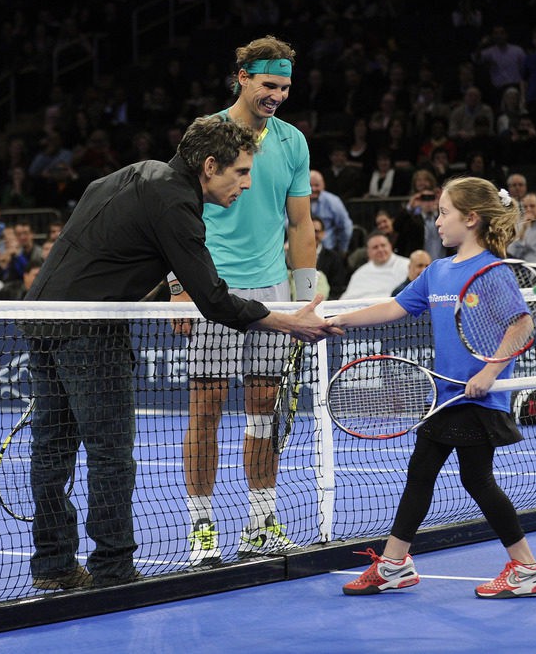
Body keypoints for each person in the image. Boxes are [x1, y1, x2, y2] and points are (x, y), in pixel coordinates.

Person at [24, 114, 337, 591]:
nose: (248, 185)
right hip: (90, 329)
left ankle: (54, 566)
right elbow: (211, 298)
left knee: (52, 450)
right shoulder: (176, 204)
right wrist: (287, 320)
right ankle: (113, 570)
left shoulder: (131, 174)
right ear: (210, 166)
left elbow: (108, 255)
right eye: (242, 173)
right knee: (111, 454)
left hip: (40, 317)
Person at [334, 177, 536, 598]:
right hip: (447, 395)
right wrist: (341, 320)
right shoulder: (437, 272)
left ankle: (527, 567)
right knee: (422, 473)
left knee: (476, 481)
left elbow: (521, 323)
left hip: (479, 398)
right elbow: (395, 306)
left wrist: (490, 372)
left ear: (471, 219)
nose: (437, 222)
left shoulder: (490, 269)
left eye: (444, 213)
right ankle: (395, 563)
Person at [166, 37, 321, 568]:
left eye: (284, 86)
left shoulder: (293, 142)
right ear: (242, 77)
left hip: (273, 294)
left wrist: (304, 298)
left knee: (263, 412)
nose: (276, 94)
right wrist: (179, 286)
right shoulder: (206, 133)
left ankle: (260, 523)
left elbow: (300, 224)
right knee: (205, 410)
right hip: (212, 289)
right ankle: (202, 527)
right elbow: (174, 210)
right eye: (268, 84)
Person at [340, 232, 409, 300]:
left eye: (383, 245)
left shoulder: (408, 265)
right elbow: (347, 299)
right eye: (375, 247)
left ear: (390, 246)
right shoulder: (360, 273)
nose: (380, 250)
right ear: (368, 252)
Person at [309, 170, 353, 254]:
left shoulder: (334, 201)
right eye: (310, 185)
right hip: (300, 247)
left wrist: (342, 250)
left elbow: (346, 226)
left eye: (316, 185)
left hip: (328, 250)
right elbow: (287, 222)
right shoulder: (296, 200)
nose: (313, 189)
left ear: (323, 185)